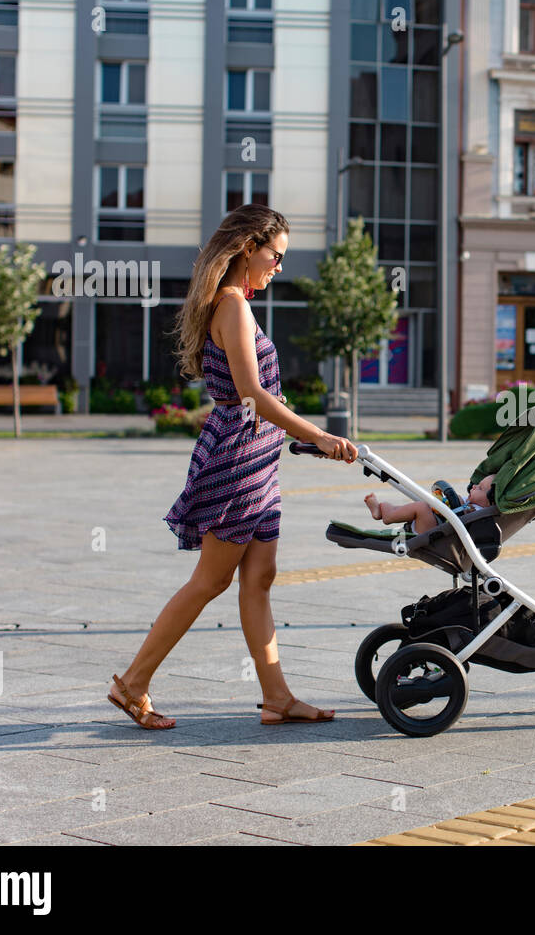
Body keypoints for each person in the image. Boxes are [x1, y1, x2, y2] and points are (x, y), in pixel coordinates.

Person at [107, 204, 357, 730]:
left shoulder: (237, 303)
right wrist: (319, 436)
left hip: (256, 456)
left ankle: (277, 697)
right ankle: (132, 683)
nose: (279, 267)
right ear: (249, 247)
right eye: (276, 255)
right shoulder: (232, 306)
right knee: (210, 580)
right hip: (239, 457)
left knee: (260, 577)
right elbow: (252, 395)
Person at [364, 475, 496, 536]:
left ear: (489, 501)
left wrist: (457, 502)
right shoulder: (471, 501)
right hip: (435, 525)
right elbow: (456, 502)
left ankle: (388, 515)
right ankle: (384, 510)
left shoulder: (480, 512)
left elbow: (464, 513)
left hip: (435, 535)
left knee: (421, 507)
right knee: (422, 505)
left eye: (479, 488)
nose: (474, 486)